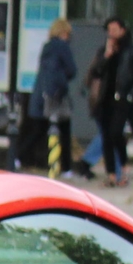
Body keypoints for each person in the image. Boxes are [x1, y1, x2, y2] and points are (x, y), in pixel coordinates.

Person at [83, 17, 133, 185]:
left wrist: (132, 94)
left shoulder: (132, 51)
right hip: (105, 99)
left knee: (116, 133)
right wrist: (106, 56)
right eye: (109, 30)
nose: (111, 33)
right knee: (106, 137)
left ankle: (123, 166)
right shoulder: (105, 50)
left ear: (122, 30)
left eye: (114, 29)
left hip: (123, 98)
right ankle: (111, 173)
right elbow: (96, 71)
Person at [33, 18, 78, 175]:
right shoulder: (62, 47)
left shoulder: (47, 47)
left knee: (39, 128)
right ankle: (66, 167)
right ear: (64, 32)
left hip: (43, 94)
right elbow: (72, 70)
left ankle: (18, 157)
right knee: (64, 130)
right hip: (58, 95)